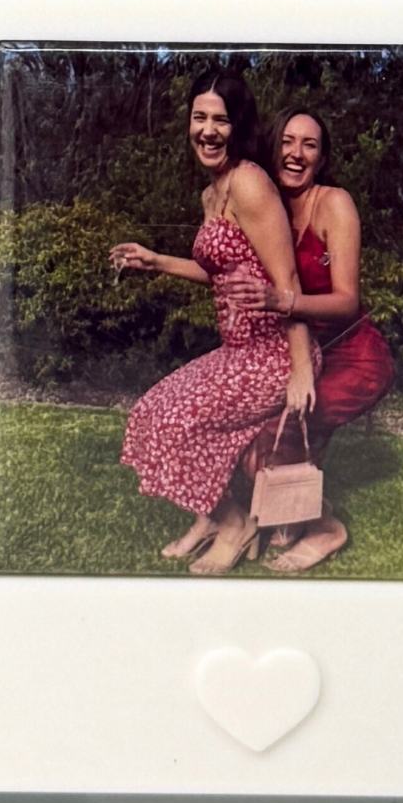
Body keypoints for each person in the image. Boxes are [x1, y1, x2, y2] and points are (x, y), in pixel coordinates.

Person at [108, 74, 316, 576]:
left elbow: (286, 279)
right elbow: (221, 272)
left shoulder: (248, 182)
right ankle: (211, 516)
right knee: (151, 412)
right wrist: (156, 261)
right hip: (237, 353)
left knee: (170, 420)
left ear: (238, 125)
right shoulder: (213, 192)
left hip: (272, 355)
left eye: (220, 119)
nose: (207, 130)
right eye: (199, 118)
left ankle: (234, 523)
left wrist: (301, 367)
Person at [247, 108, 395, 573]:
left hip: (354, 355)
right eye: (288, 142)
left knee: (281, 430)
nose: (296, 154)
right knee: (252, 436)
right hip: (302, 352)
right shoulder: (263, 207)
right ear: (274, 148)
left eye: (309, 145)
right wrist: (158, 261)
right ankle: (289, 511)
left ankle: (325, 524)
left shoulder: (334, 203)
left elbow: (347, 301)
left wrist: (282, 302)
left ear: (322, 156)